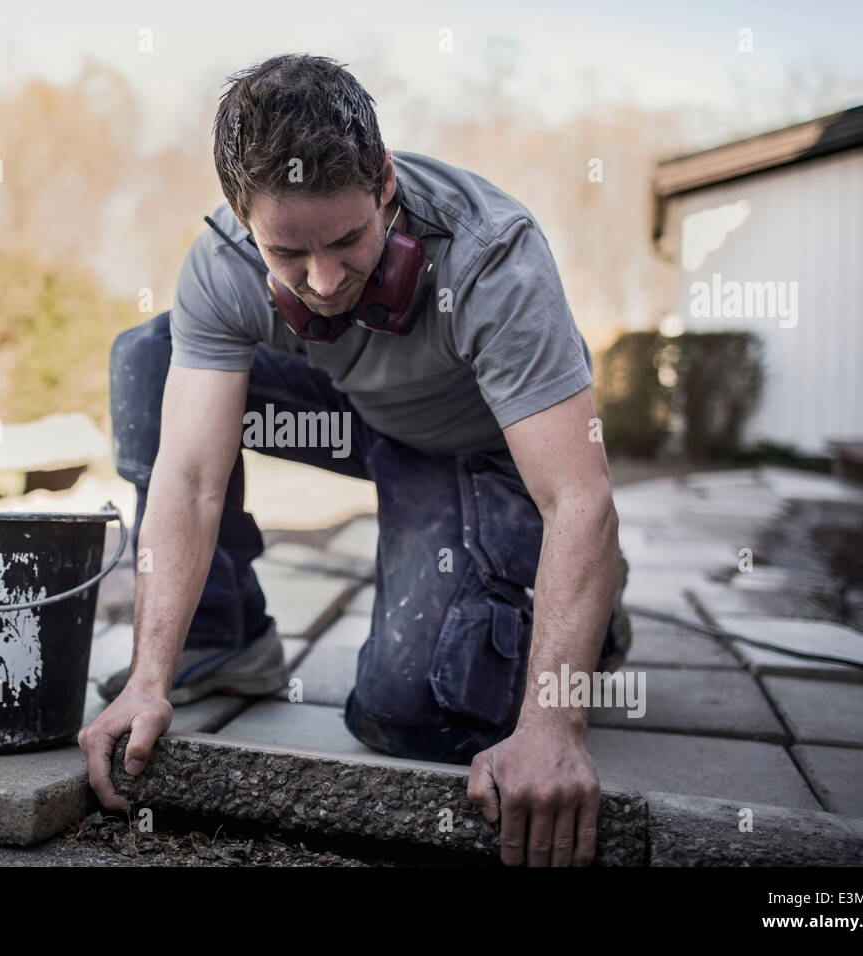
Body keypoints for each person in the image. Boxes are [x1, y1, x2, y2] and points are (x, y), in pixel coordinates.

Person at [79, 53, 631, 867]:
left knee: (411, 717)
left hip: (482, 450)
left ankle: (593, 615)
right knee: (148, 354)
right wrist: (146, 678)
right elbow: (190, 477)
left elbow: (580, 500)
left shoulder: (492, 259)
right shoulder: (223, 264)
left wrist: (554, 724)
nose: (326, 280)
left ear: (383, 181)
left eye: (346, 240)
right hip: (357, 417)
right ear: (242, 218)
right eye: (289, 255)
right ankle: (219, 641)